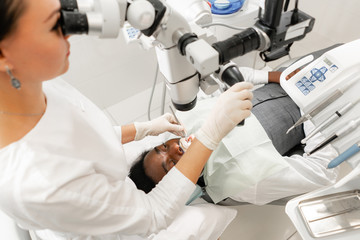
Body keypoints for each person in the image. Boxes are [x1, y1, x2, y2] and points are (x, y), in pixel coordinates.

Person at [0, 0, 254, 239]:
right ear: (4, 55)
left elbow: (79, 138)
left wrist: (144, 129)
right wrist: (210, 134)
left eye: (64, 17)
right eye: (53, 26)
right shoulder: (41, 183)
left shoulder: (30, 79)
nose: (69, 34)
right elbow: (155, 213)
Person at [129, 71, 339, 205]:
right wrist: (313, 109)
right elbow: (323, 171)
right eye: (173, 164)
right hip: (331, 105)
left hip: (295, 76)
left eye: (162, 148)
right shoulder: (243, 182)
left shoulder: (188, 118)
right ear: (183, 184)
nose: (175, 150)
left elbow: (218, 84)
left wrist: (270, 76)